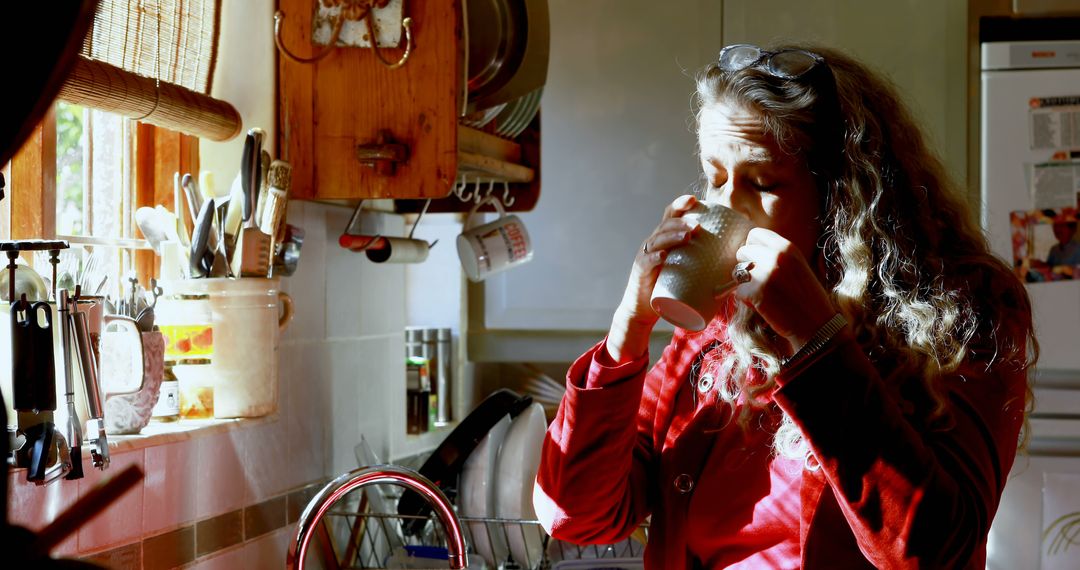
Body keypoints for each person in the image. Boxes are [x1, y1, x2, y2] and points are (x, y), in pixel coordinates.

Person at [533, 43, 1037, 569]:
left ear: (843, 196)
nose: (724, 207)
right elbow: (576, 516)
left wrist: (815, 337)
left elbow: (938, 554)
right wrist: (628, 327)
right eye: (715, 177)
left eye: (763, 182)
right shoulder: (714, 328)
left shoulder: (965, 308)